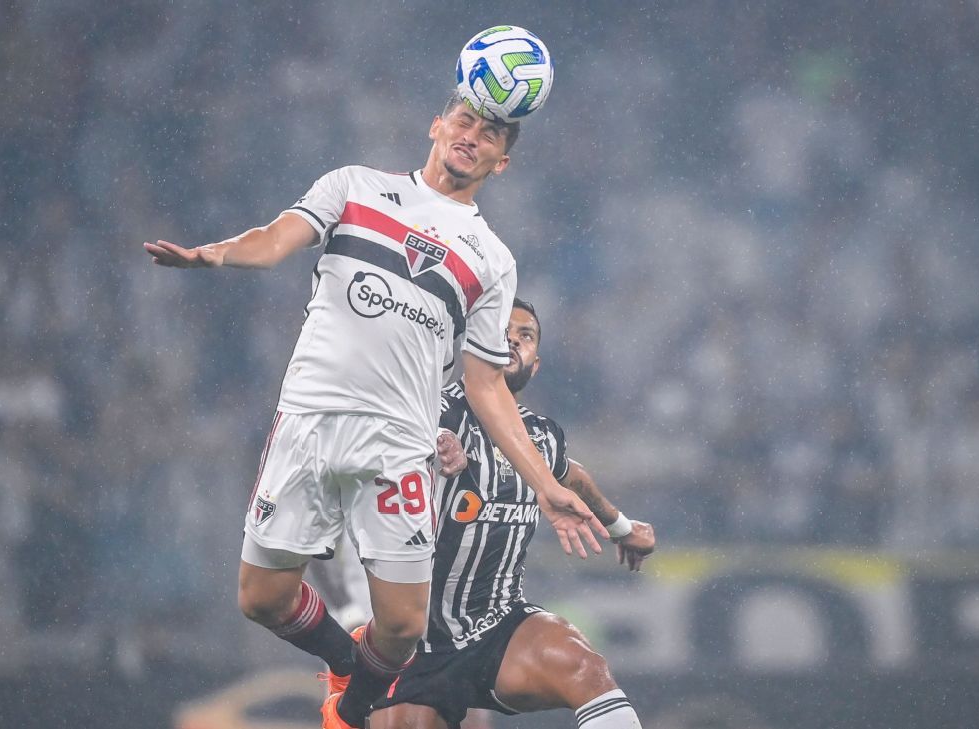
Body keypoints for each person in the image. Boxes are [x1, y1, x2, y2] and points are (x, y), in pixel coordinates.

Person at [143, 93, 606, 729]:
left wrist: (546, 487)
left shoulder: (492, 259)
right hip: (310, 421)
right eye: (464, 120)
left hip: (400, 443)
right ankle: (347, 670)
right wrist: (215, 254)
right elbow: (275, 240)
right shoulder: (353, 187)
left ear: (502, 161)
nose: (472, 136)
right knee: (261, 599)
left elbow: (486, 386)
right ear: (437, 125)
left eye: (490, 134)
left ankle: (354, 705)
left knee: (404, 625)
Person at [367, 299, 656, 729]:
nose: (513, 341)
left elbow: (571, 474)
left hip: (499, 627)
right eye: (504, 331)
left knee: (586, 668)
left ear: (535, 366)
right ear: (475, 345)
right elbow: (395, 426)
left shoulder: (542, 436)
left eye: (526, 335)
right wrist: (437, 439)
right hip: (413, 644)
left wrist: (620, 526)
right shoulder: (434, 407)